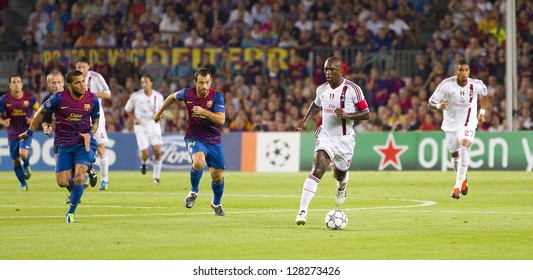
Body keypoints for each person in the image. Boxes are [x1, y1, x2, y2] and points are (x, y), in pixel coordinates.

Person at [294, 56, 370, 225]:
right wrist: (305, 120)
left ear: (340, 71)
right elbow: (316, 104)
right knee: (317, 168)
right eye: (326, 70)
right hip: (326, 136)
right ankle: (302, 211)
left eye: (332, 70)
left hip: (345, 140)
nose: (328, 73)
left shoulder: (353, 89)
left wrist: (348, 115)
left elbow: (366, 113)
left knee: (340, 173)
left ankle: (341, 186)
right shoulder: (322, 89)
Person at [19, 70, 99, 223]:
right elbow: (41, 112)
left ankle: (71, 212)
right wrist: (29, 132)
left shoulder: (92, 99)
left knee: (79, 176)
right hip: (63, 144)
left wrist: (91, 133)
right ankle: (82, 179)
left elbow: (96, 123)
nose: (82, 85)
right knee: (62, 181)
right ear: (69, 85)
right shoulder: (58, 98)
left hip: (83, 142)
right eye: (77, 82)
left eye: (83, 81)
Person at [153, 68, 226, 216]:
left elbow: (221, 119)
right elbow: (172, 97)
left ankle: (216, 203)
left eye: (207, 83)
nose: (204, 86)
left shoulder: (217, 96)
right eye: (201, 83)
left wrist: (204, 112)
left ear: (211, 82)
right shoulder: (187, 93)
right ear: (195, 82)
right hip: (194, 137)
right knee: (198, 162)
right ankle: (194, 191)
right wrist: (160, 112)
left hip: (213, 140)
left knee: (217, 176)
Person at [428, 58, 488, 199]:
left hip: (468, 123)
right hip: (450, 126)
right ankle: (463, 178)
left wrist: (482, 112)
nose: (464, 73)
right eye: (461, 70)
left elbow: (484, 94)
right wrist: (438, 106)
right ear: (456, 71)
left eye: (466, 70)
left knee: (464, 148)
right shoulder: (446, 85)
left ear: (469, 71)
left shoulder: (476, 85)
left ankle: (456, 188)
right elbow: (430, 103)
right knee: (455, 156)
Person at [41, 71, 97, 201]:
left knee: (78, 163)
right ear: (48, 85)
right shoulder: (49, 99)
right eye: (53, 82)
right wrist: (46, 127)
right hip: (62, 138)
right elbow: (46, 119)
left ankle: (88, 169)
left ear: (64, 84)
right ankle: (75, 192)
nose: (56, 85)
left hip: (80, 137)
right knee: (62, 174)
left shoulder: (72, 94)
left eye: (59, 82)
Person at [75, 56, 111, 190]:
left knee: (100, 147)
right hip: (79, 117)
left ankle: (105, 180)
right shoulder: (73, 80)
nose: (81, 69)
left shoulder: (96, 77)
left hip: (96, 117)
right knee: (79, 148)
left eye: (83, 67)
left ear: (88, 67)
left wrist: (90, 94)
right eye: (78, 67)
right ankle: (83, 176)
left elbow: (107, 93)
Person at [0, 75, 39, 191]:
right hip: (12, 133)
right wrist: (3, 122)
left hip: (26, 131)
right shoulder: (4, 99)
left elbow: (41, 111)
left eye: (18, 82)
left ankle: (26, 165)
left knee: (23, 154)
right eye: (13, 82)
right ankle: (23, 184)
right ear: (10, 85)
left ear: (22, 84)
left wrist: (33, 120)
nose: (16, 84)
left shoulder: (30, 98)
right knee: (16, 161)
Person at [124, 74, 165, 184]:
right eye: (142, 82)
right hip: (141, 126)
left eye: (146, 82)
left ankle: (156, 178)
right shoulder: (136, 96)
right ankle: (144, 162)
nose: (144, 84)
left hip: (154, 124)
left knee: (157, 151)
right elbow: (128, 109)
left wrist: (161, 116)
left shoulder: (159, 96)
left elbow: (162, 111)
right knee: (146, 153)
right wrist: (134, 119)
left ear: (151, 83)